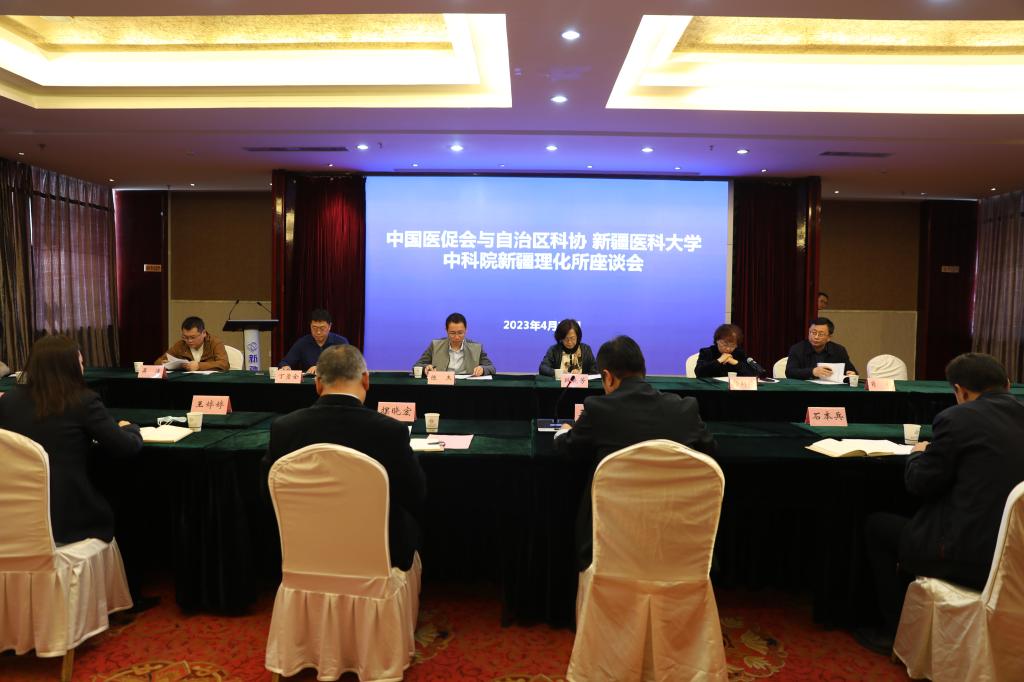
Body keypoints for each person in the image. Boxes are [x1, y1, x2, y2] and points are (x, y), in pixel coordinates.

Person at [857, 353, 1024, 655]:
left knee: (877, 526)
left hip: (970, 558)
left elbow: (920, 483)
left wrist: (918, 454)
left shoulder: (958, 418)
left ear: (960, 391)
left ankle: (895, 633)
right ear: (1008, 384)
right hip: (1017, 559)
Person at [553, 335, 717, 570]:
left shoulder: (599, 409)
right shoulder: (685, 408)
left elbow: (567, 448)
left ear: (608, 377)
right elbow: (710, 449)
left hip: (609, 548)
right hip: (680, 548)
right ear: (643, 370)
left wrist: (562, 431)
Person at [264, 344, 426, 570]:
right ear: (366, 380)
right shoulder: (390, 431)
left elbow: (268, 494)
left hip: (306, 550)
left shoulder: (284, 429)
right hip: (378, 553)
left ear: (317, 383)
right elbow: (415, 495)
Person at [0, 336, 143, 546]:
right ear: (70, 367)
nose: (83, 367)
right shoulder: (81, 400)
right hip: (71, 518)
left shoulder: (8, 401)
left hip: (15, 516)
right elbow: (126, 447)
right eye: (81, 362)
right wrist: (130, 428)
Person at [415, 312, 495, 377]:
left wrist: (482, 369)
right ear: (446, 330)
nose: (457, 337)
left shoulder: (477, 347)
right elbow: (417, 366)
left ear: (466, 330)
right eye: (452, 333)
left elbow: (491, 368)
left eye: (460, 333)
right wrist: (425, 368)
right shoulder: (435, 345)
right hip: (441, 385)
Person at [278, 308, 349, 374]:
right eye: (314, 328)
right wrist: (285, 366)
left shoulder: (340, 342)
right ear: (310, 326)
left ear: (330, 326)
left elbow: (348, 365)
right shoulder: (303, 343)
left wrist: (322, 368)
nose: (318, 332)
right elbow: (285, 362)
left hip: (334, 381)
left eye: (322, 328)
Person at [785, 317, 857, 380]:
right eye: (813, 333)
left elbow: (852, 371)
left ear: (829, 337)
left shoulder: (839, 350)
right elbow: (789, 372)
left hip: (831, 388)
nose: (816, 337)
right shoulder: (797, 349)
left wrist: (852, 374)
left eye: (821, 334)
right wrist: (812, 372)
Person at [156, 316, 229, 371]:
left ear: (204, 333)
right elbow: (157, 361)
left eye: (193, 337)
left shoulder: (215, 342)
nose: (189, 341)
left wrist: (199, 366)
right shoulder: (181, 344)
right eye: (185, 337)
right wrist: (163, 363)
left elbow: (224, 364)